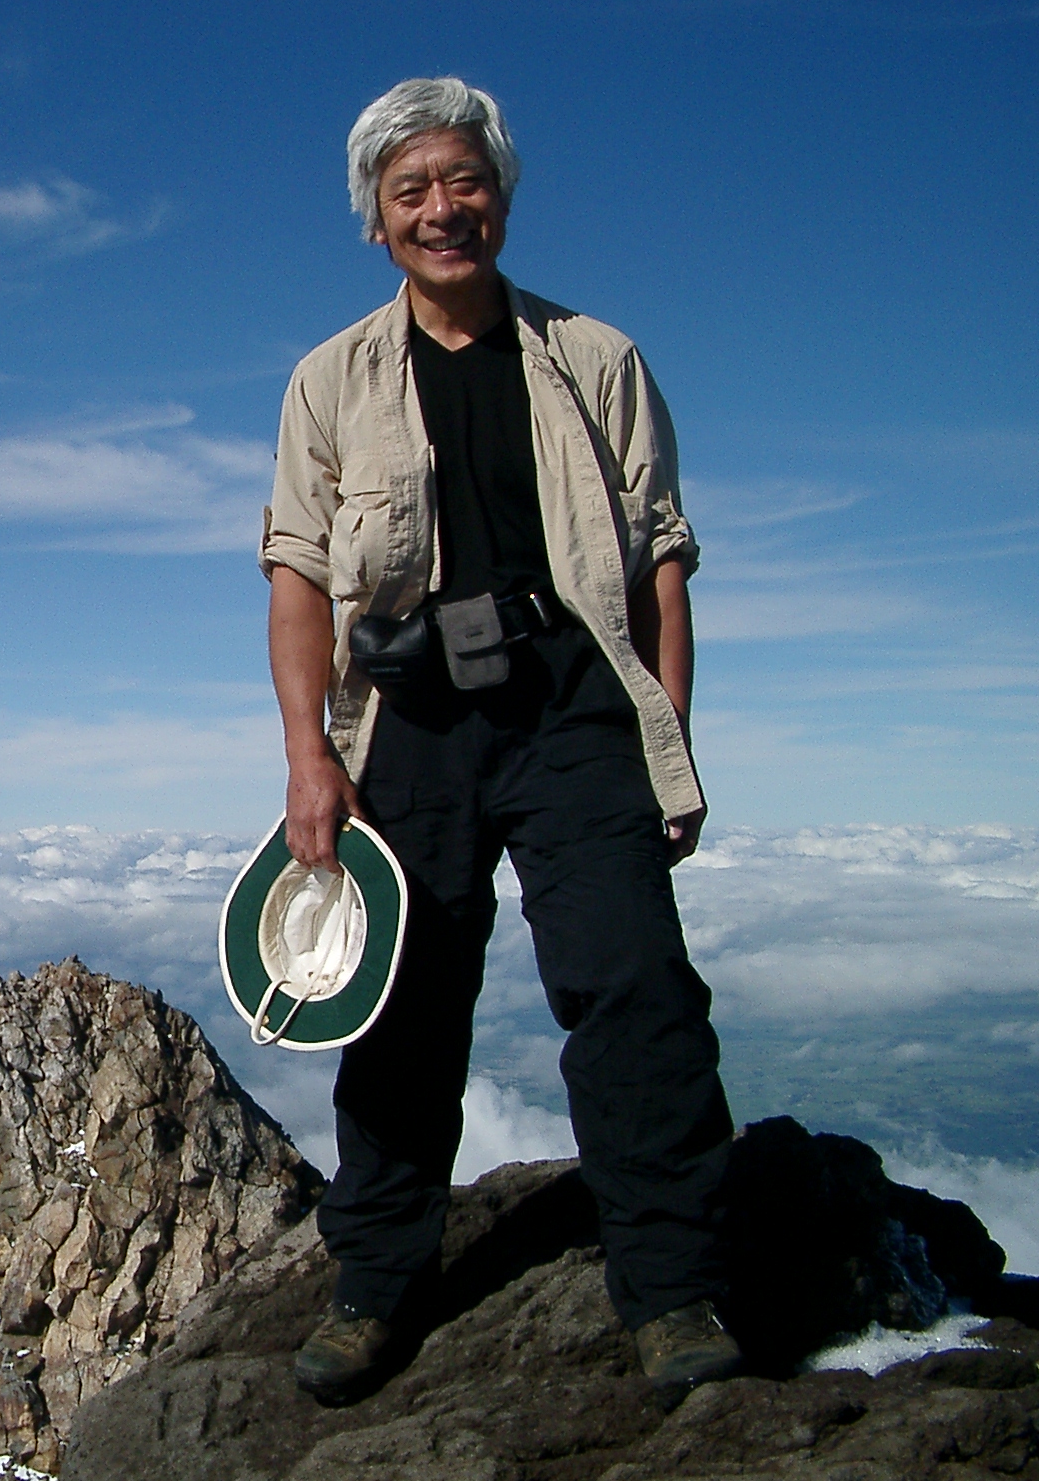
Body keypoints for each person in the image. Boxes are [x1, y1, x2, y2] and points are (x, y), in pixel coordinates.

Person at [261, 76, 742, 1407]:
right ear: (375, 220)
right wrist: (312, 757)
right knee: (402, 1012)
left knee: (633, 991)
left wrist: (669, 738)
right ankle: (376, 1289)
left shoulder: (597, 357)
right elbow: (297, 578)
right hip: (410, 725)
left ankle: (673, 1289)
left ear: (503, 195)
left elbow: (660, 566)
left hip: (576, 706)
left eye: (462, 181)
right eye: (409, 191)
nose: (440, 208)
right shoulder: (331, 380)